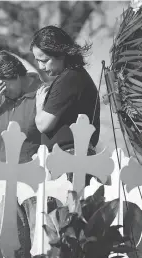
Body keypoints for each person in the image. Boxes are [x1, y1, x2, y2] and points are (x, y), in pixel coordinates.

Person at [0, 51, 43, 258]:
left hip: (35, 181)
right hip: (8, 183)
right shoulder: (1, 102)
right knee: (14, 241)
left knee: (38, 237)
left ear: (14, 76)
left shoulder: (40, 93)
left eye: (0, 84)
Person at [30, 25, 100, 159]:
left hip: (70, 158)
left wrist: (39, 105)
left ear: (61, 54)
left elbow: (43, 125)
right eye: (37, 61)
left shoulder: (69, 80)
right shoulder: (74, 76)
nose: (40, 66)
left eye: (44, 60)